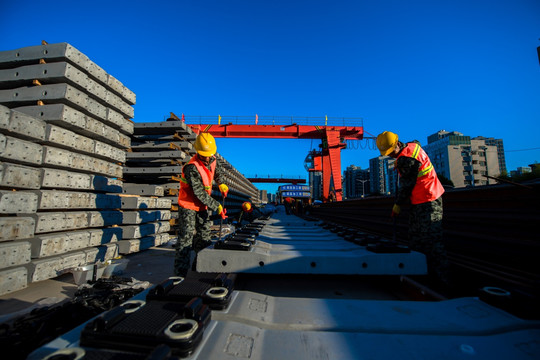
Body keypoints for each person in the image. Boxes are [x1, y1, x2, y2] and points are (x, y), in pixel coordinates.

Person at [376, 131, 449, 289]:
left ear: (396, 144)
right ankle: (420, 275)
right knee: (416, 238)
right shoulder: (413, 146)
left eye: (391, 153)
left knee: (432, 241)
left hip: (428, 200)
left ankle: (442, 282)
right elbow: (416, 145)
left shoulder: (405, 159)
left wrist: (397, 205)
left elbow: (406, 186)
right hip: (425, 198)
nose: (390, 156)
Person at [174, 132, 228, 277]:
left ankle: (200, 267)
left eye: (210, 154)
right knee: (186, 240)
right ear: (198, 151)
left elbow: (217, 172)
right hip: (188, 205)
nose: (208, 157)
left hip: (202, 206)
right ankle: (179, 276)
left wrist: (221, 183)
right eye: (205, 154)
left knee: (204, 238)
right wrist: (217, 206)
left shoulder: (212, 158)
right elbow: (199, 193)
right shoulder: (191, 168)